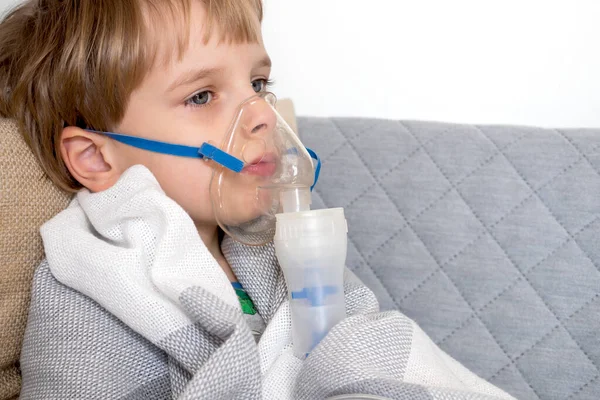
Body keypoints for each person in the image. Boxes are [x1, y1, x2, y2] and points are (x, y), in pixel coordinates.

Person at [0, 1, 515, 399]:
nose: (263, 114)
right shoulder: (90, 290)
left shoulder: (278, 247)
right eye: (201, 95)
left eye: (258, 82)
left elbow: (362, 346)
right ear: (95, 158)